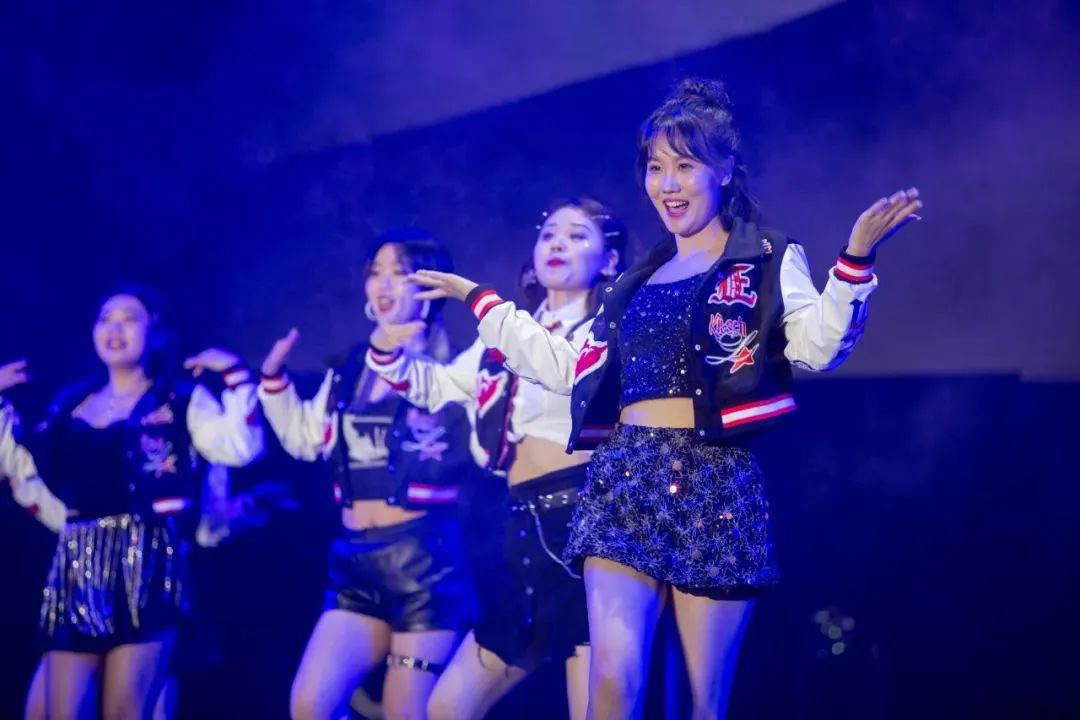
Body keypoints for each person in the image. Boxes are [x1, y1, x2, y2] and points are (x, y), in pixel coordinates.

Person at [405, 78, 923, 719]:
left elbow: (818, 346)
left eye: (685, 165)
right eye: (656, 167)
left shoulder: (763, 256)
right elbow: (569, 368)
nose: (668, 184)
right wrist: (479, 299)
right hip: (624, 480)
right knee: (611, 683)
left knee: (701, 705)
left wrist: (855, 262)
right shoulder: (633, 281)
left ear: (724, 170)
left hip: (714, 484)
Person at [365, 198, 628, 720]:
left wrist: (479, 301)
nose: (558, 243)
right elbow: (437, 387)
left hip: (588, 523)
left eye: (578, 235)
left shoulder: (608, 329)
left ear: (611, 261)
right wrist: (390, 351)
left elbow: (570, 373)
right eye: (549, 234)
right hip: (522, 528)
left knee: (595, 710)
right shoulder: (503, 338)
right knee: (447, 708)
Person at [0, 286, 264, 720]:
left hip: (149, 562)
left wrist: (236, 375)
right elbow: (25, 469)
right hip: (78, 564)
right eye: (106, 319)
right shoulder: (69, 404)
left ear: (154, 332)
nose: (115, 328)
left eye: (129, 318)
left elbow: (240, 446)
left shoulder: (178, 399)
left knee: (126, 712)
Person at [258, 229, 479, 720]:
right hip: (354, 559)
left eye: (400, 273)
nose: (383, 284)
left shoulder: (453, 370)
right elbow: (307, 439)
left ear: (430, 288)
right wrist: (272, 382)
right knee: (310, 705)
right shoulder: (350, 368)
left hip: (424, 561)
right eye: (376, 273)